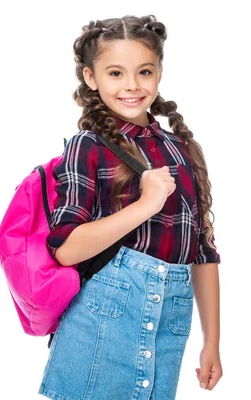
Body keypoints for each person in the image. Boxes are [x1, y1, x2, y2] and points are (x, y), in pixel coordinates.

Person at [38, 14, 223, 400]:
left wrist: (212, 342)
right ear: (91, 78)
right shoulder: (87, 146)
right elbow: (66, 248)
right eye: (116, 73)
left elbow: (202, 250)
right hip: (102, 322)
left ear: (158, 73)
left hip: (169, 326)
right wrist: (144, 206)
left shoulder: (181, 148)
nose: (132, 86)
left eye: (144, 71)